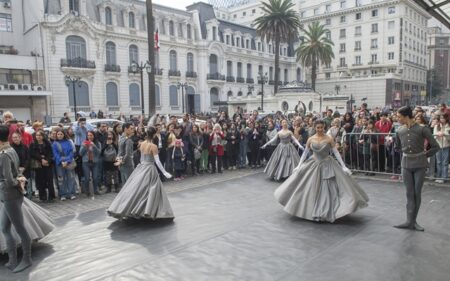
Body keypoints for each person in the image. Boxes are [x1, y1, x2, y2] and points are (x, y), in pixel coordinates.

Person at [273, 120, 369, 222]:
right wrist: (299, 165)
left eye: (321, 127)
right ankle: (309, 209)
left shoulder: (329, 139)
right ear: (315, 127)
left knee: (333, 187)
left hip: (328, 164)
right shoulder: (311, 139)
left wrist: (344, 166)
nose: (319, 129)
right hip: (313, 163)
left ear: (324, 128)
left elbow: (335, 152)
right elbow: (305, 152)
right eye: (318, 127)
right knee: (307, 187)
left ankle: (331, 209)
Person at [107, 126, 174, 220]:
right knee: (152, 190)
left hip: (141, 168)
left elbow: (142, 158)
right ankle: (148, 211)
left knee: (138, 190)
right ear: (154, 134)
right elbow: (158, 162)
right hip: (150, 169)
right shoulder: (153, 146)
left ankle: (136, 209)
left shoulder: (142, 144)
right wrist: (164, 172)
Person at [394, 106, 439, 231]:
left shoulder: (422, 129)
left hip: (420, 164)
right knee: (409, 193)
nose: (397, 118)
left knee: (416, 193)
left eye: (399, 116)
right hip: (406, 164)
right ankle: (409, 221)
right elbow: (397, 146)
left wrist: (425, 155)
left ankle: (413, 222)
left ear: (406, 116)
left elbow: (436, 146)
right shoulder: (399, 130)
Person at [0, 125, 32, 272]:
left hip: (10, 194)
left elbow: (9, 180)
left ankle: (26, 259)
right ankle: (12, 260)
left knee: (19, 228)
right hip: (10, 195)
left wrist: (18, 180)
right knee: (5, 228)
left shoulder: (4, 154)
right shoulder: (10, 150)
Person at [29, 130, 55, 202]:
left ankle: (51, 196)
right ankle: (42, 196)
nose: (38, 137)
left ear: (43, 136)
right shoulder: (33, 144)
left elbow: (50, 153)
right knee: (40, 181)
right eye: (37, 135)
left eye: (40, 135)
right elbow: (32, 154)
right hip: (38, 165)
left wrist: (47, 160)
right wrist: (41, 159)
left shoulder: (47, 143)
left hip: (48, 164)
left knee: (49, 180)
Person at [79, 131, 102, 196]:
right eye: (88, 135)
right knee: (87, 177)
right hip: (86, 162)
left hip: (95, 162)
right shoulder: (84, 142)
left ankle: (96, 190)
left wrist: (94, 146)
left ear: (94, 136)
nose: (89, 137)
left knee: (95, 177)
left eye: (91, 135)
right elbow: (80, 153)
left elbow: (99, 153)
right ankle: (87, 191)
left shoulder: (98, 143)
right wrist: (84, 147)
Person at [433, 113, 449, 184]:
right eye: (441, 118)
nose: (442, 119)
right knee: (439, 162)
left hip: (446, 146)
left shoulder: (448, 126)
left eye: (443, 118)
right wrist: (438, 134)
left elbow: (449, 137)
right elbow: (434, 136)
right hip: (438, 146)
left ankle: (444, 177)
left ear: (446, 118)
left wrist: (444, 134)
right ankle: (438, 176)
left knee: (445, 162)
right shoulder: (437, 125)